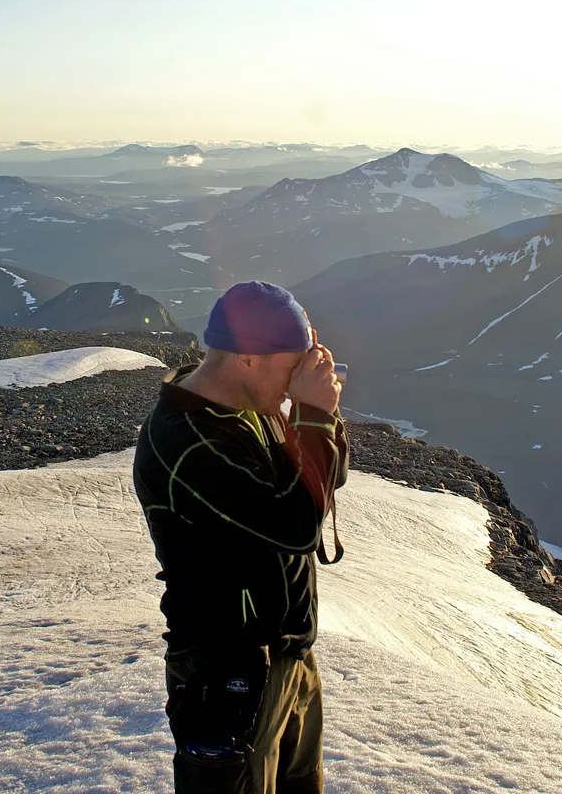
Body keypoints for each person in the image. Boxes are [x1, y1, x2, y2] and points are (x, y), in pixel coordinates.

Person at [133, 281, 350, 794]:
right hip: (228, 671)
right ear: (248, 359)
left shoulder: (251, 406)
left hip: (287, 655)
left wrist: (321, 414)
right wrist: (314, 414)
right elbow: (295, 527)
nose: (298, 378)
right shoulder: (186, 440)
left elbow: (321, 485)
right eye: (291, 363)